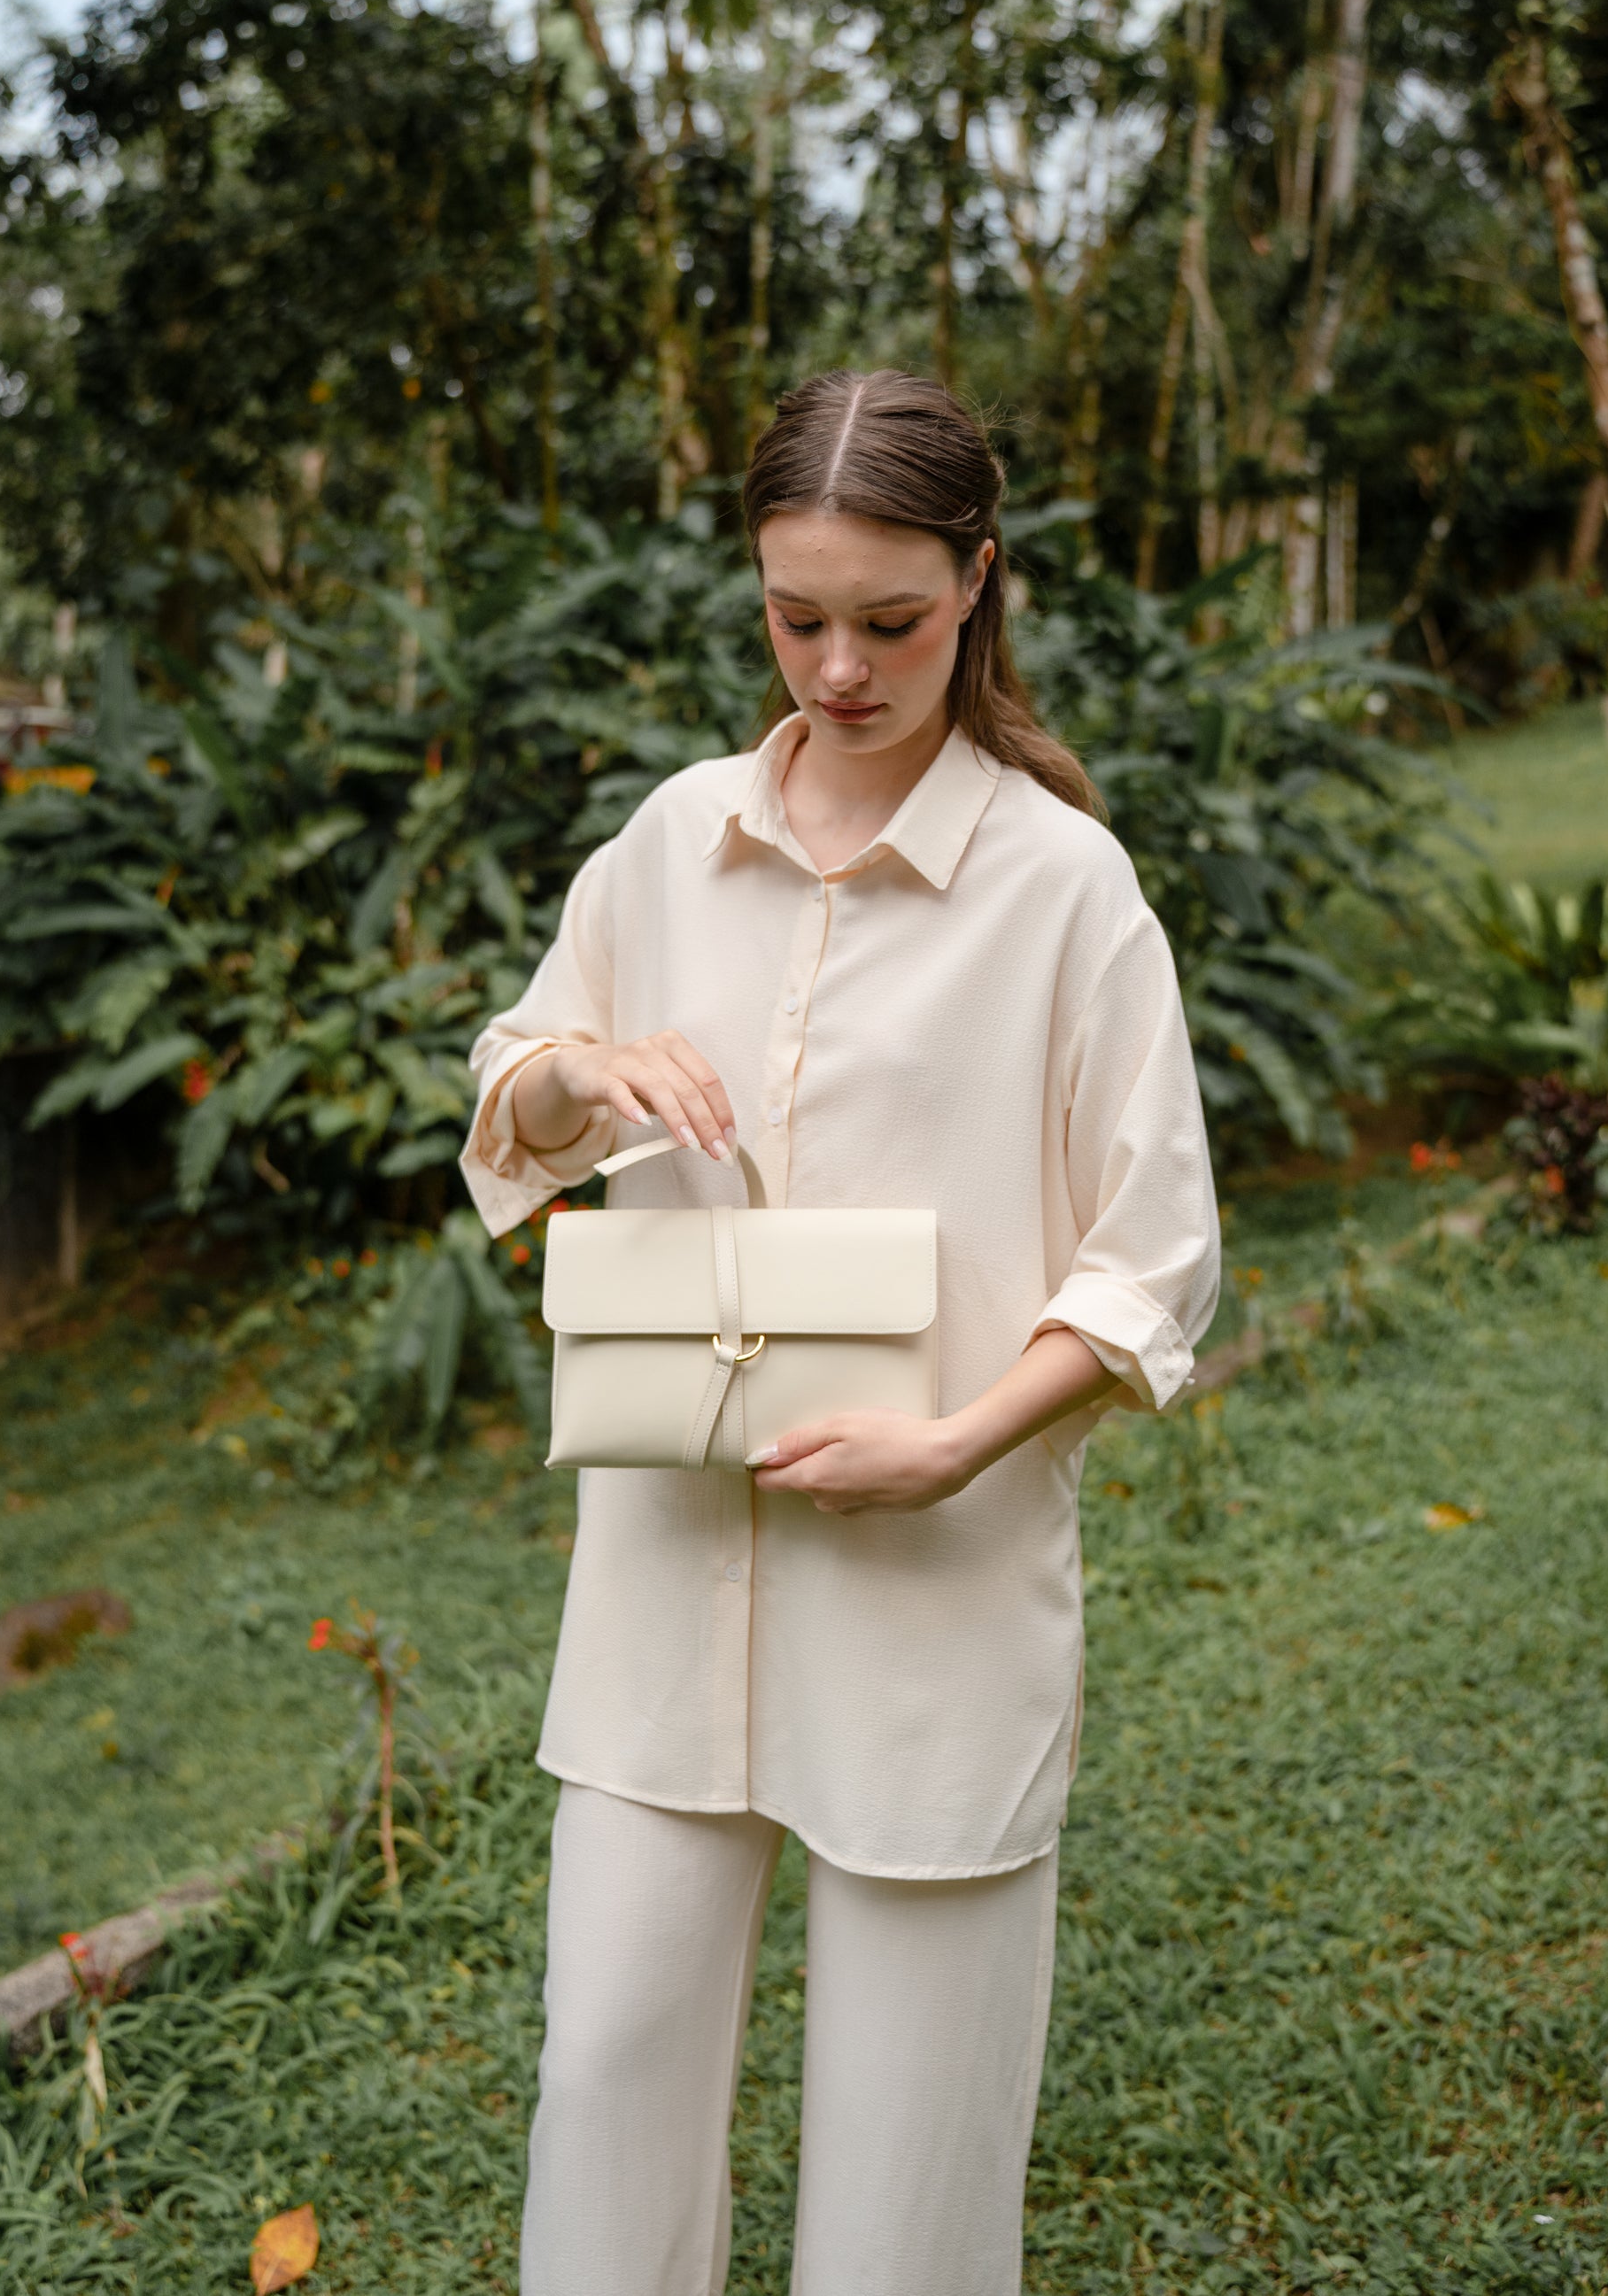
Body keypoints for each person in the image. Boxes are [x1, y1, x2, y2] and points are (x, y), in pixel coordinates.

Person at [460, 368, 1219, 2296]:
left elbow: (1150, 1264)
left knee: (905, 2175)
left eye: (889, 619)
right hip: (663, 1582)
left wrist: (952, 1443)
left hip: (935, 1594)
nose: (839, 666)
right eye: (796, 615)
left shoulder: (1066, 888)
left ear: (980, 581)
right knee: (605, 2073)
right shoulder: (669, 836)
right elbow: (526, 1087)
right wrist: (573, 1077)